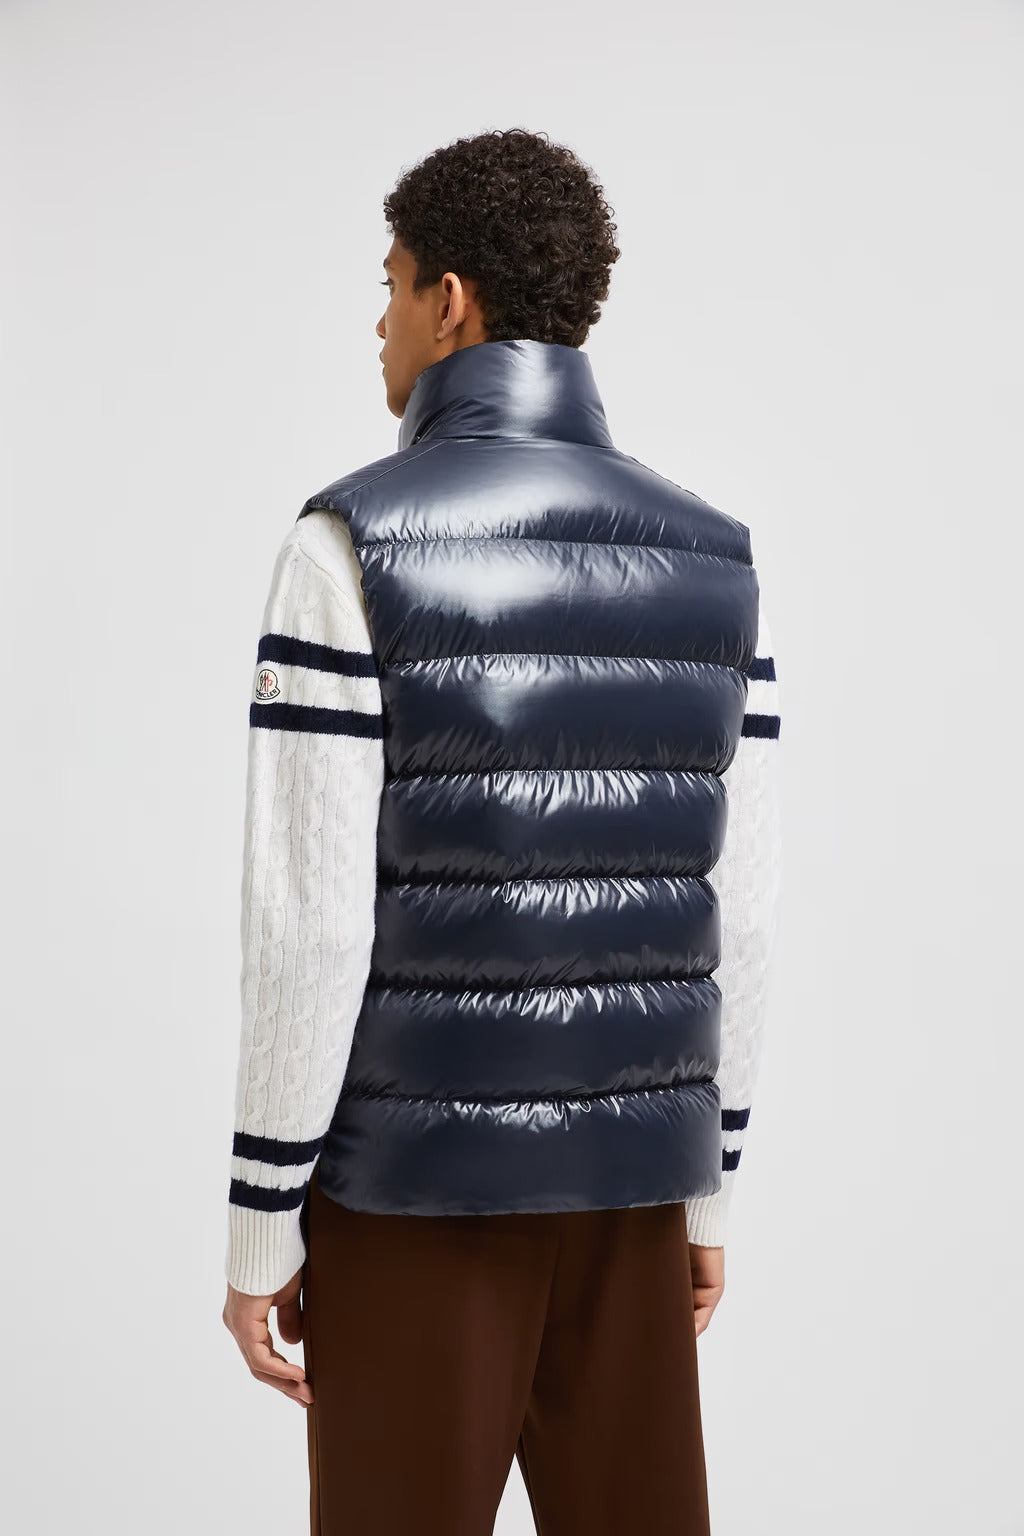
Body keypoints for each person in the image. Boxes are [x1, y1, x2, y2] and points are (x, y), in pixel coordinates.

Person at [221, 127, 782, 1536]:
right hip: (634, 1190)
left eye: (392, 283)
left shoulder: (346, 546)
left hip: (414, 1201)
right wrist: (704, 1190)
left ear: (451, 301)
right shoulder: (716, 560)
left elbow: (309, 922)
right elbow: (742, 909)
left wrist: (261, 1215)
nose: (380, 320)